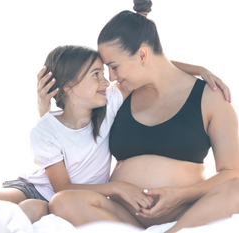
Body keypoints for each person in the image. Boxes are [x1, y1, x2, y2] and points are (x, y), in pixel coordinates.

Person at [0, 44, 225, 224]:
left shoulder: (109, 104)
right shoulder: (44, 130)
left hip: (66, 198)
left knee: (31, 211)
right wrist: (119, 187)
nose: (107, 80)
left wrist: (197, 69)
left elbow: (147, 68)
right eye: (96, 74)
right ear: (68, 85)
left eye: (105, 72)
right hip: (41, 187)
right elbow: (61, 187)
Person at [47, 1, 239, 232]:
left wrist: (180, 195)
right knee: (62, 201)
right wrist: (42, 107)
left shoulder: (210, 97)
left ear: (142, 55)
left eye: (114, 66)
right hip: (125, 218)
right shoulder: (117, 96)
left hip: (187, 215)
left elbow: (231, 172)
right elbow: (64, 127)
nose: (111, 77)